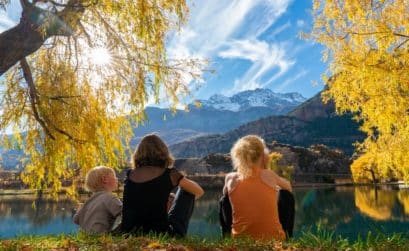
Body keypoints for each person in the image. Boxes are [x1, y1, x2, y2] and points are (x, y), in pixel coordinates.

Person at [121, 134, 204, 236]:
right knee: (187, 190)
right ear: (163, 152)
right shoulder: (169, 174)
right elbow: (199, 191)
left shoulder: (130, 174)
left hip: (129, 233)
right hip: (160, 234)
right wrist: (178, 203)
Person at [220, 135, 295, 241]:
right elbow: (289, 187)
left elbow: (225, 197)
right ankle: (287, 237)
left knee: (224, 199)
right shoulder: (269, 174)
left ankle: (226, 237)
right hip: (274, 239)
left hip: (239, 240)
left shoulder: (230, 178)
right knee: (286, 194)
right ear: (262, 155)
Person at [73, 166, 122, 233]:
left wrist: (79, 211)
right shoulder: (110, 198)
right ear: (105, 179)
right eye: (114, 176)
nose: (117, 179)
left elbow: (76, 220)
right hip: (102, 236)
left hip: (86, 237)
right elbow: (123, 213)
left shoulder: (88, 201)